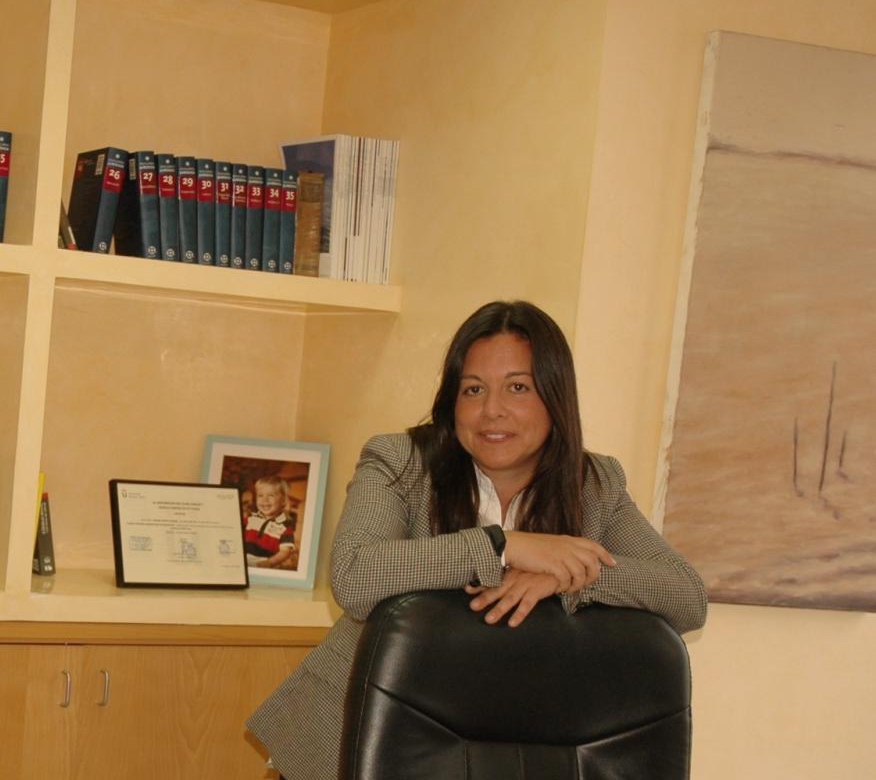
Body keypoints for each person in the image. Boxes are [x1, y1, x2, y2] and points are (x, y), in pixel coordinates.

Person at [246, 300, 708, 780]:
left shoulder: (594, 483)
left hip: (496, 746)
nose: (492, 411)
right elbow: (355, 576)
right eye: (473, 389)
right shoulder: (401, 461)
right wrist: (502, 546)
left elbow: (686, 595)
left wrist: (568, 576)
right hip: (349, 748)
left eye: (518, 387)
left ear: (555, 397)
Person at [244, 475, 297, 569]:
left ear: (283, 501)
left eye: (271, 495)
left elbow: (285, 551)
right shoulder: (250, 519)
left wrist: (270, 562)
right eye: (260, 495)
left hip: (263, 565)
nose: (264, 500)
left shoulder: (284, 527)